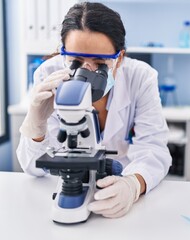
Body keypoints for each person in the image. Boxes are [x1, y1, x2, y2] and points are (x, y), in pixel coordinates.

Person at [16, 2, 172, 218]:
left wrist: (133, 185)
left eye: (100, 63)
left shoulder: (141, 77)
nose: (87, 70)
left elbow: (154, 149)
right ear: (63, 54)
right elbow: (33, 168)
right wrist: (36, 127)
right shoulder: (48, 74)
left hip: (120, 178)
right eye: (76, 61)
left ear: (119, 57)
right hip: (66, 178)